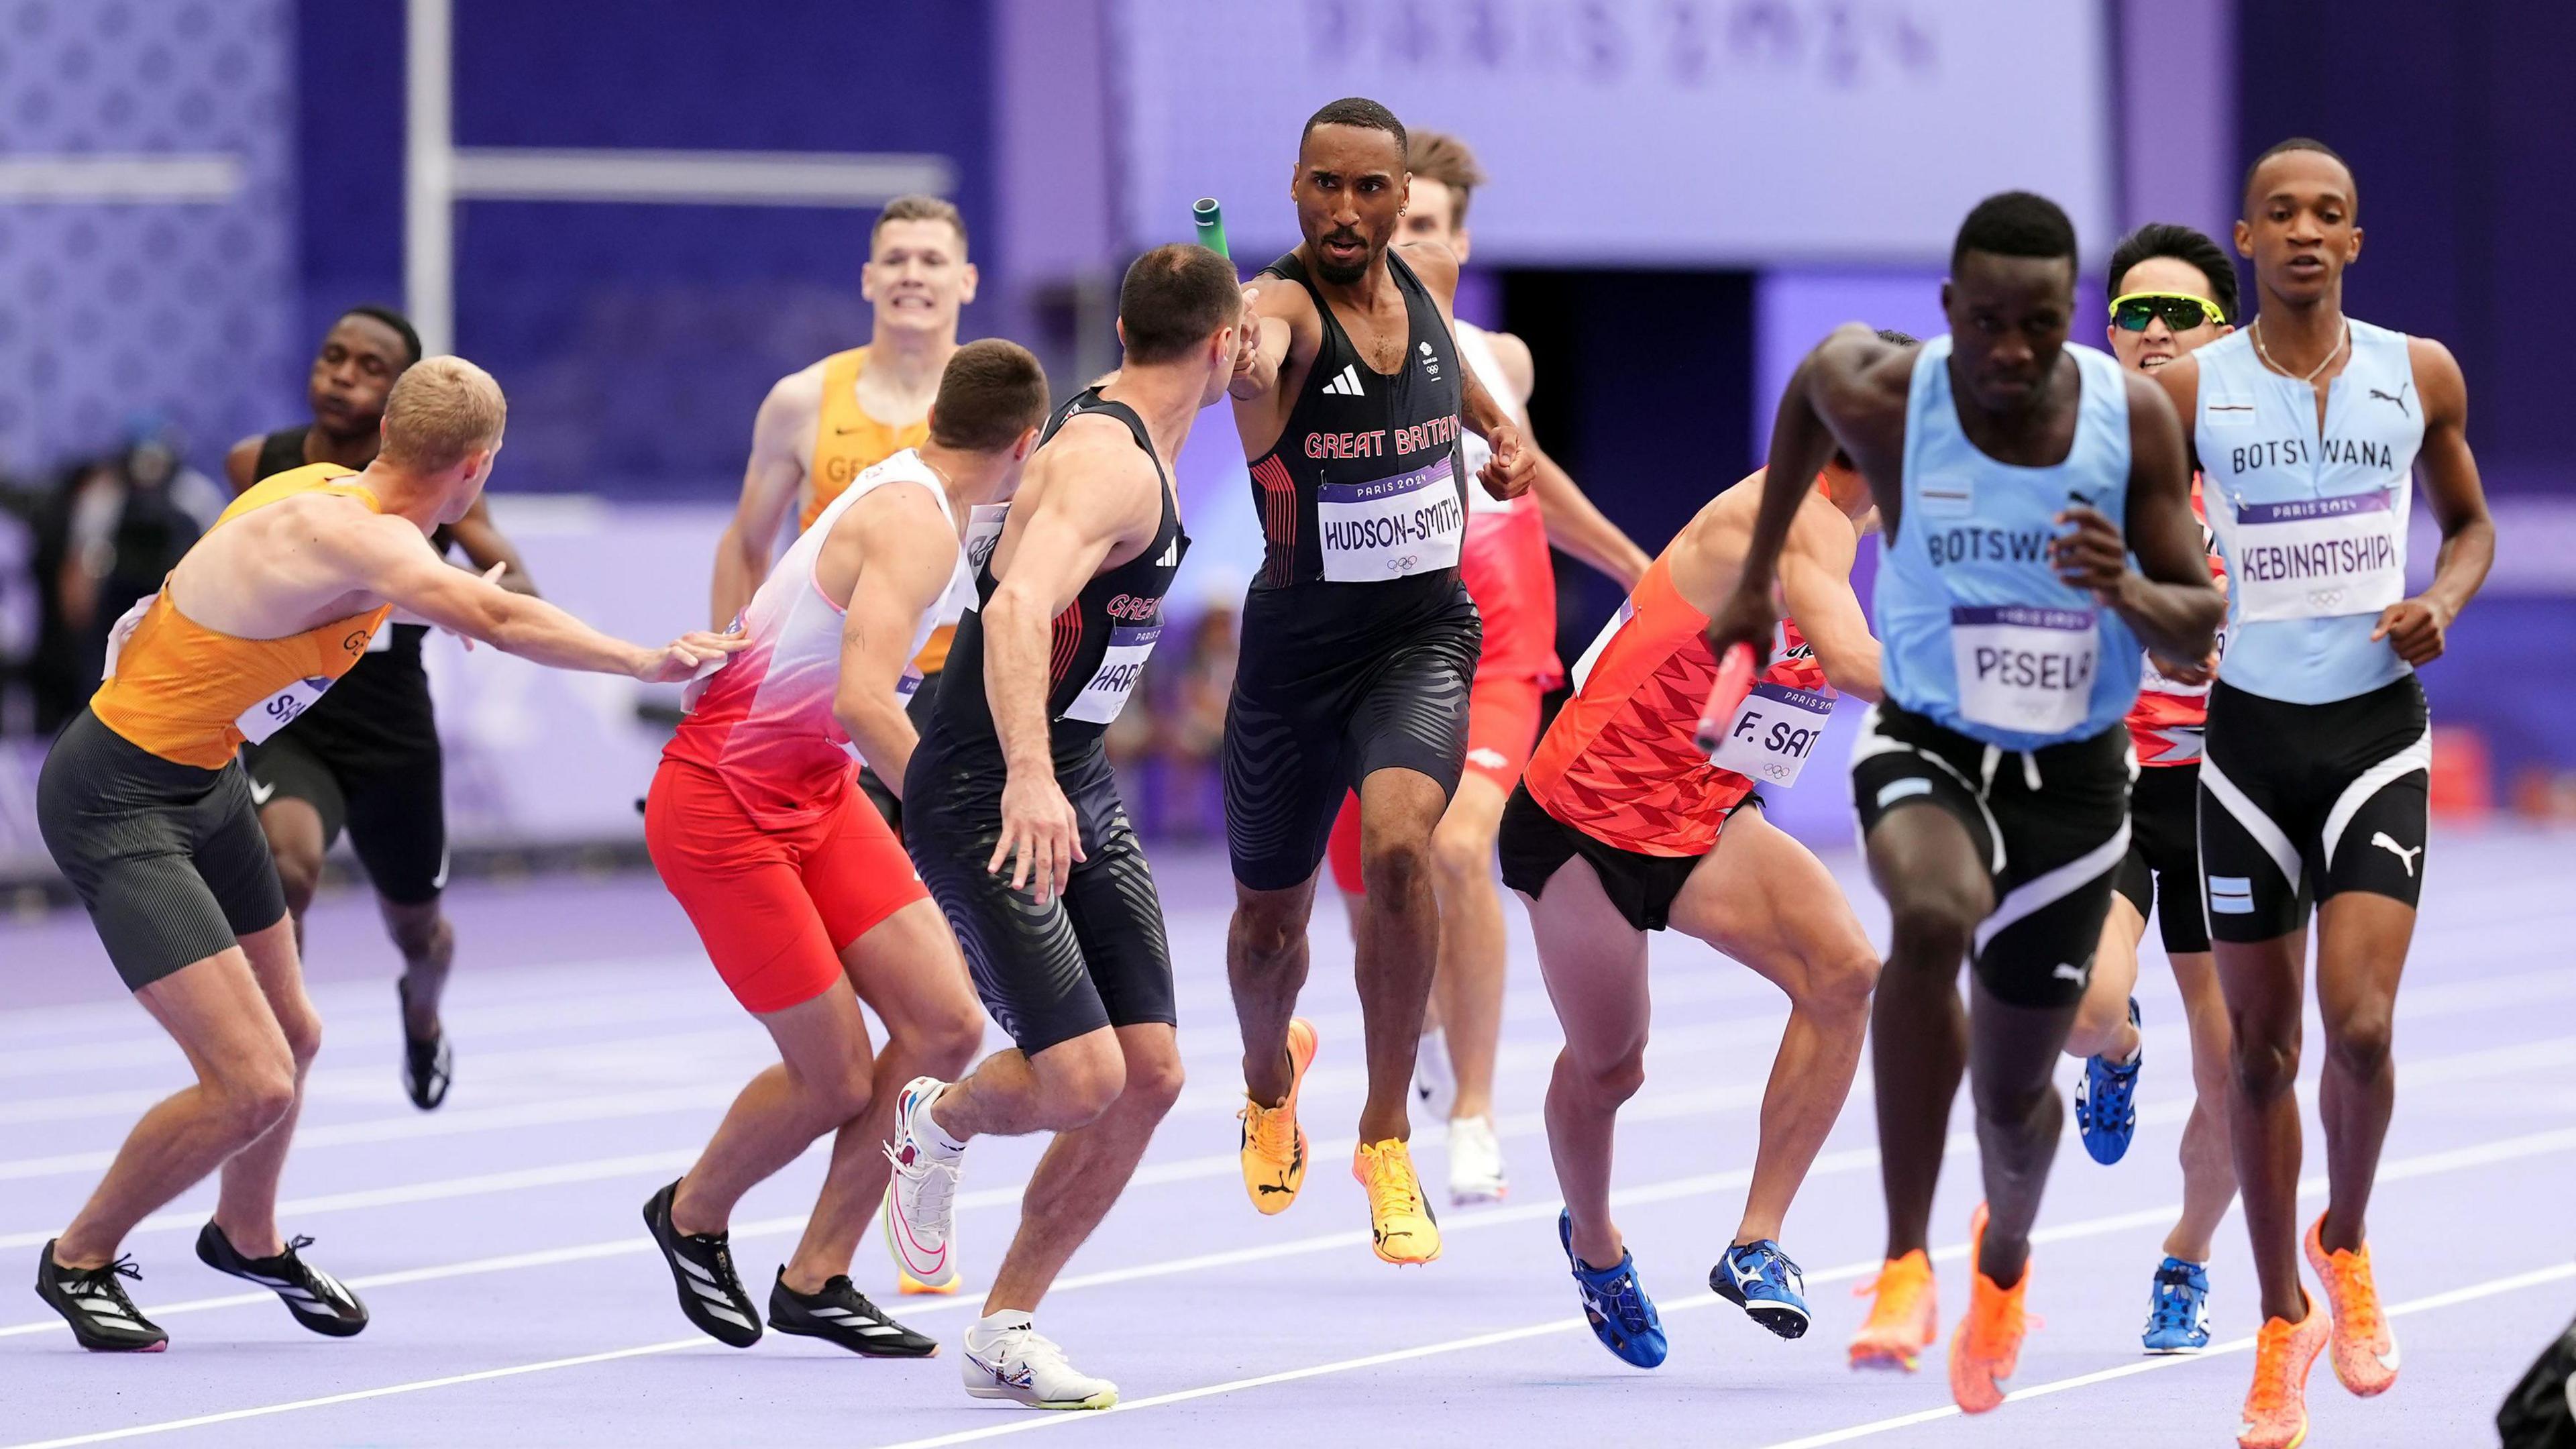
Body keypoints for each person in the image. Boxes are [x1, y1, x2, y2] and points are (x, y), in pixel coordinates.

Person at [32, 358, 740, 1352]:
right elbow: (490, 615)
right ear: (479, 465)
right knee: (253, 1084)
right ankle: (79, 1256)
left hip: (208, 781)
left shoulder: (341, 517)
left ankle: (247, 1232)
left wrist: (432, 600)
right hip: (119, 801)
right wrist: (641, 658)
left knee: (298, 1032)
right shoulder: (354, 535)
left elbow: (292, 598)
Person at [1706, 192, 2222, 1414]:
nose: (2011, 352)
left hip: (2081, 781)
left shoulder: (2129, 423)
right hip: (1931, 745)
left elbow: (2198, 630)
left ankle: (2000, 1266)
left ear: (2062, 324)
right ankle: (1901, 1262)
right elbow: (1803, 412)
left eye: (2039, 326)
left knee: (2013, 1092)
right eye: (1987, 321)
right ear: (1947, 312)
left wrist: (2132, 594)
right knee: (1928, 924)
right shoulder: (1881, 386)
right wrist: (1756, 575)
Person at [2151, 139, 2493, 1449]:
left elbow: (2468, 527)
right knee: (2261, 1054)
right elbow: (2147, 536)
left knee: (2356, 1030)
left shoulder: (2421, 376)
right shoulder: (2189, 390)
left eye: (2329, 214)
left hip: (2372, 738)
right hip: (2245, 751)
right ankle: (2278, 1316)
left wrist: (2444, 602)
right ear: (2246, 236)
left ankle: (2343, 1242)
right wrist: (2177, 613)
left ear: (2356, 241)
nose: (2305, 230)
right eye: (2281, 212)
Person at [877, 244, 1245, 1409]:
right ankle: (938, 1120)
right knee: (1082, 1077)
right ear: (1222, 347)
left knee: (1150, 1075)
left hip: (1075, 770)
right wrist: (1030, 774)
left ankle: (1006, 1325)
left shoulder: (1157, 415)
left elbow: (1274, 324)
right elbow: (1024, 602)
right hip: (997, 783)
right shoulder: (1105, 462)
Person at [637, 341, 1046, 1358]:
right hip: (723, 802)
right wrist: (968, 823)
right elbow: (867, 702)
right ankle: (690, 1215)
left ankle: (817, 1276)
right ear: (1024, 445)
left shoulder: (936, 506)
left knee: (947, 1029)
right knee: (834, 1078)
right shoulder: (913, 524)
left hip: (814, 793)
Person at [1507, 415, 1897, 1361]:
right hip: (1582, 829)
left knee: (1843, 971)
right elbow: (1850, 664)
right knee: (1612, 1067)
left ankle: (1755, 1243)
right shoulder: (1799, 517)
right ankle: (1595, 1245)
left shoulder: (1853, 524)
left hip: (1705, 817)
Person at [1221, 97, 1535, 1267]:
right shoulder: (1284, 311)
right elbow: (1254, 352)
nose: (1345, 211)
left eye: (1369, 190)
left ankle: (1388, 1131)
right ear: (1293, 189)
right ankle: (1268, 1082)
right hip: (1297, 663)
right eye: (1323, 188)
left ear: (1403, 196)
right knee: (1269, 932)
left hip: (1423, 640)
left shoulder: (1430, 309)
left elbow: (1478, 413)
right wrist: (1239, 359)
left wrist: (1504, 444)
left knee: (1407, 848)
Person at [1317, 128, 1652, 1208]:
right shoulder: (1320, 350)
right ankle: (1414, 1023)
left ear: (1459, 242)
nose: (1401, 240)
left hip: (1497, 653)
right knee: (1379, 892)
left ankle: (1473, 1109)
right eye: (1389, 222)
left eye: (1423, 226)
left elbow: (1532, 489)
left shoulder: (1500, 361)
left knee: (1462, 847)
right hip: (1364, 658)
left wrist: (1644, 571)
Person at [223, 306, 536, 1112]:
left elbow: (521, 593)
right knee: (284, 867)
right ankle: (275, 1033)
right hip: (294, 717)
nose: (343, 377)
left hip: (394, 733)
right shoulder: (260, 462)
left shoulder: (438, 485)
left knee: (419, 934)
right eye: (333, 358)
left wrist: (451, 597)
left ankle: (423, 1014)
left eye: (369, 368)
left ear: (399, 404)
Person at [2056, 222, 2244, 1356]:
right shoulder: (2062, 461)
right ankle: (2118, 1056)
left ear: (2226, 333)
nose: (2158, 331)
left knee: (2241, 1076)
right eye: (2135, 314)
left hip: (2230, 796)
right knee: (2083, 1010)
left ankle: (2187, 1258)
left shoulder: (2270, 466)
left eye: (2182, 314)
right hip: (2110, 788)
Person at [713, 198, 976, 829]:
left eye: (932, 260)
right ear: (868, 279)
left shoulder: (1001, 409)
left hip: (951, 682)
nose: (912, 273)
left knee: (958, 904)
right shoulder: (802, 401)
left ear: (965, 281)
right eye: (896, 260)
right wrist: (732, 685)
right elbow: (746, 543)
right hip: (824, 685)